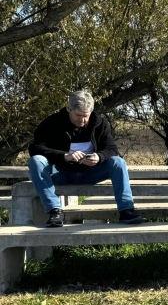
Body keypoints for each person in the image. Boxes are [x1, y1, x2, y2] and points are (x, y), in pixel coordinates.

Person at [28, 91, 145, 227]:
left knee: (118, 162)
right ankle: (55, 211)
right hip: (61, 173)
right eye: (78, 115)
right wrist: (64, 156)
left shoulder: (99, 123)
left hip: (90, 173)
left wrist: (99, 157)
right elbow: (35, 148)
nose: (82, 120)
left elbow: (111, 149)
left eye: (86, 116)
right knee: (36, 161)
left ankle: (127, 210)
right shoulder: (51, 123)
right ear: (69, 109)